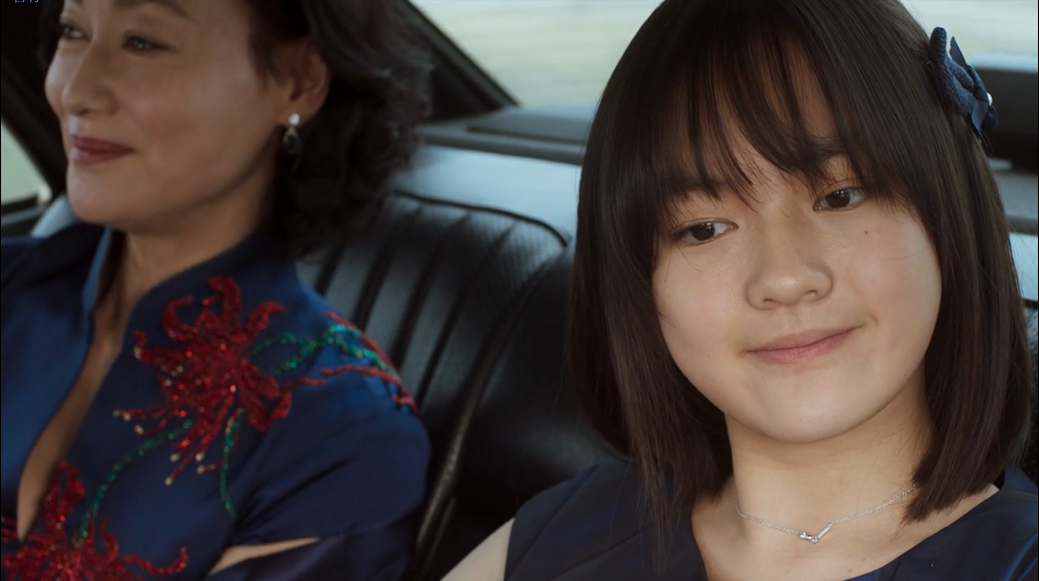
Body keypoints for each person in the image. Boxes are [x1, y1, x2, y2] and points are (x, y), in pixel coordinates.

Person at [443, 0, 1037, 579]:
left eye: (840, 197)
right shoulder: (555, 536)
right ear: (640, 288)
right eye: (704, 229)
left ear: (947, 215)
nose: (783, 279)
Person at [0, 0, 431, 579]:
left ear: (300, 81)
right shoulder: (12, 289)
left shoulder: (340, 435)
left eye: (142, 41)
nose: (76, 91)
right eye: (73, 30)